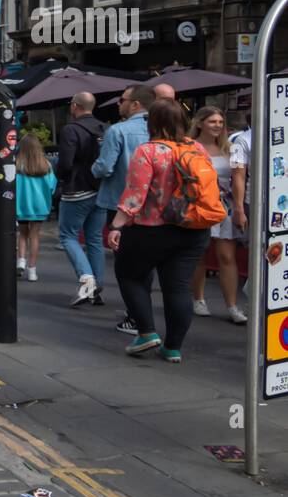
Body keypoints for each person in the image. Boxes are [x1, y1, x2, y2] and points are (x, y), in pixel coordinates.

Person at [108, 99, 212, 363]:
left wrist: (117, 225)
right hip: (192, 228)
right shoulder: (197, 148)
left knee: (129, 274)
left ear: (152, 122)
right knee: (177, 287)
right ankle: (173, 348)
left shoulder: (148, 152)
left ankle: (146, 332)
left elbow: (134, 196)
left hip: (151, 230)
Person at [93, 84, 155, 335]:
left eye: (122, 100)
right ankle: (143, 312)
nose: (119, 104)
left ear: (136, 104)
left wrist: (93, 168)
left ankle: (136, 317)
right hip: (152, 207)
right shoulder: (158, 131)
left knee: (125, 265)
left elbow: (105, 167)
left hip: (120, 204)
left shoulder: (118, 131)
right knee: (146, 262)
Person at [189, 106, 246, 324]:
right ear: (200, 123)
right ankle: (198, 299)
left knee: (227, 256)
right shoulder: (190, 145)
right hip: (199, 204)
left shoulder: (230, 148)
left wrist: (239, 208)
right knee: (200, 253)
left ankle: (232, 306)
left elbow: (239, 178)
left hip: (225, 206)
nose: (218, 126)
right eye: (213, 121)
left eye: (220, 122)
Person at [56, 92, 107, 306]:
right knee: (94, 238)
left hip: (77, 189)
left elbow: (65, 163)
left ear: (75, 106)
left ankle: (87, 279)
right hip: (101, 190)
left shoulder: (71, 129)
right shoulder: (105, 129)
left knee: (68, 235)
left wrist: (62, 177)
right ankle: (97, 286)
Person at [15, 135, 57, 282]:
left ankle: (21, 260)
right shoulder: (46, 165)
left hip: (21, 205)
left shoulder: (17, 165)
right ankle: (32, 270)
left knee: (22, 234)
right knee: (34, 236)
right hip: (40, 206)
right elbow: (52, 186)